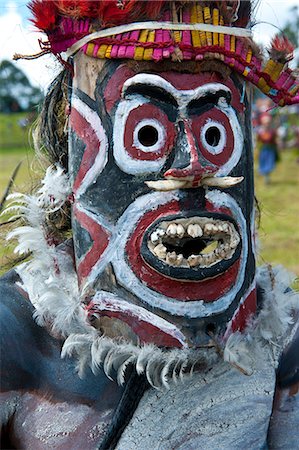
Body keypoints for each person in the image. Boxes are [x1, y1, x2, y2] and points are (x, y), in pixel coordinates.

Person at [1, 1, 298, 448]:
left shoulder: (281, 331)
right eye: (146, 134)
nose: (192, 167)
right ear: (78, 139)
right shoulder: (19, 331)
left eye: (215, 134)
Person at [257, 112, 279, 184]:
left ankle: (267, 177)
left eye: (268, 123)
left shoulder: (272, 132)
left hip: (270, 150)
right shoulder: (261, 132)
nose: (267, 124)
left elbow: (274, 140)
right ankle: (265, 175)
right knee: (264, 162)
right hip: (264, 150)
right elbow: (259, 140)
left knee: (269, 163)